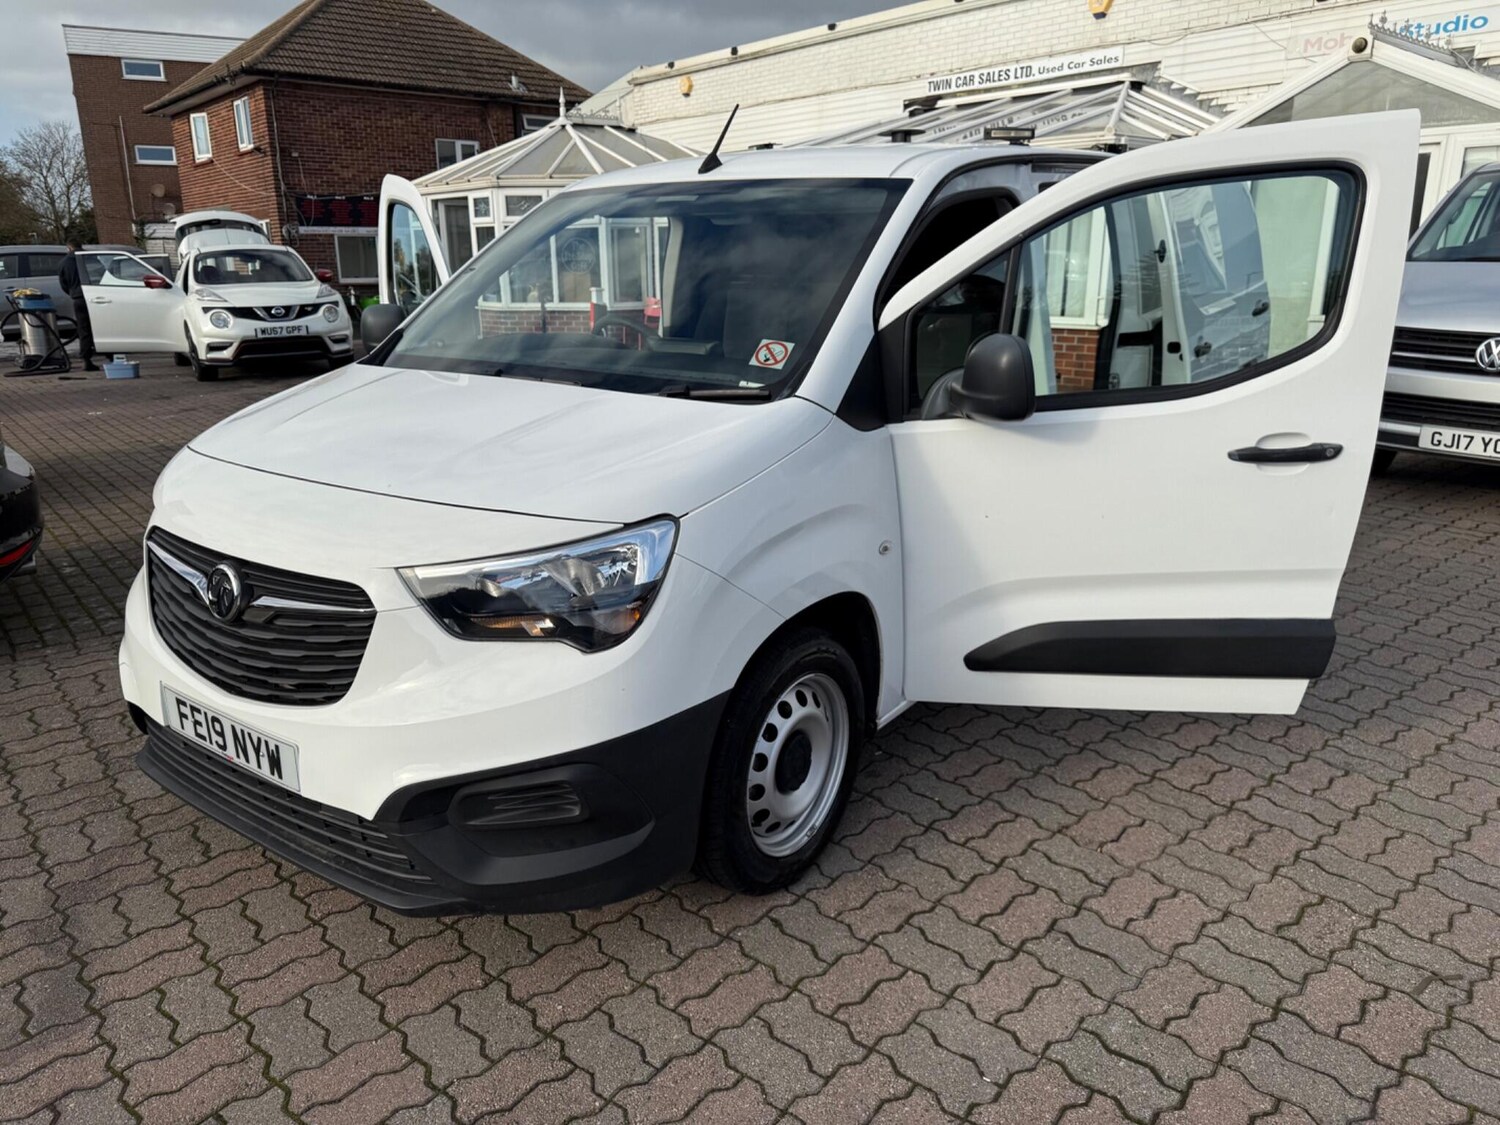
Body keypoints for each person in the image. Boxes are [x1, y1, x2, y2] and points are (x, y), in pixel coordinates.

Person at [57, 241, 98, 371]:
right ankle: (111, 356)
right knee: (101, 326)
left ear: (69, 248)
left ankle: (86, 359)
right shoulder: (91, 258)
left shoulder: (64, 263)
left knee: (83, 329)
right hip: (95, 296)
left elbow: (63, 283)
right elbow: (101, 275)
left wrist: (73, 293)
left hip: (78, 297)